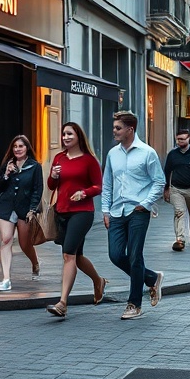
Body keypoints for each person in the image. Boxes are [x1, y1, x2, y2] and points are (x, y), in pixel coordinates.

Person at [101, 111, 165, 320]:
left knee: (135, 255)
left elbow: (159, 181)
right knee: (116, 254)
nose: (114, 131)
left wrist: (145, 204)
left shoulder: (147, 153)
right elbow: (107, 183)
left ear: (130, 129)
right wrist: (105, 210)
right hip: (117, 211)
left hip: (138, 211)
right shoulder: (113, 154)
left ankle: (134, 304)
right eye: (114, 127)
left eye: (118, 128)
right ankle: (152, 278)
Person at [44, 123, 107, 318]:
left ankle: (62, 302)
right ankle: (98, 281)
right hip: (62, 211)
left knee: (68, 254)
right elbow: (51, 185)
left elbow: (98, 186)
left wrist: (84, 193)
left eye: (69, 134)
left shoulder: (89, 161)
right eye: (63, 134)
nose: (65, 137)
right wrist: (53, 176)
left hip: (82, 212)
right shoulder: (59, 158)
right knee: (77, 257)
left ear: (78, 136)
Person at [0, 135, 43, 291]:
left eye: (21, 146)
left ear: (27, 148)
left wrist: (32, 209)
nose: (18, 149)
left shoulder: (35, 166)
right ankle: (6, 279)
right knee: (6, 240)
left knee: (24, 243)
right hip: (5, 207)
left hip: (24, 209)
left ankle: (35, 262)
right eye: (15, 147)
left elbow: (37, 190)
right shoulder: (7, 164)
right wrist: (6, 174)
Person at [163, 129, 190, 251]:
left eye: (183, 139)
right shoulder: (173, 154)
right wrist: (166, 188)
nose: (180, 141)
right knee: (179, 212)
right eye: (178, 139)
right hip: (176, 188)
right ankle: (180, 239)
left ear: (189, 139)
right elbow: (167, 171)